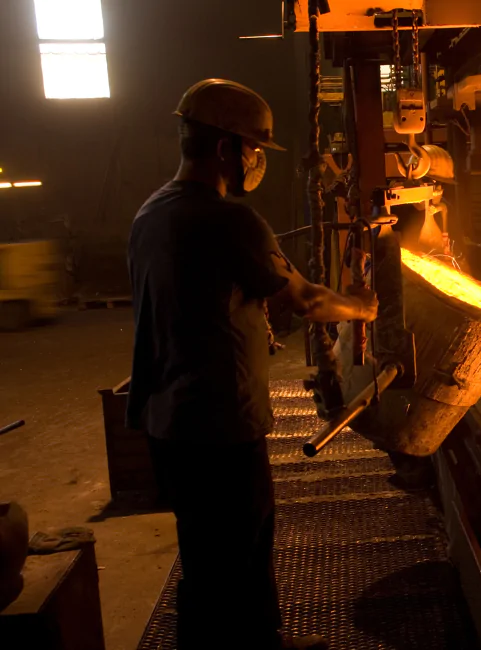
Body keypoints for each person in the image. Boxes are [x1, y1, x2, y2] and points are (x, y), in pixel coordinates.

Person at [126, 79, 378, 650]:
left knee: (204, 556)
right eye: (252, 147)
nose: (256, 159)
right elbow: (309, 301)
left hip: (168, 420)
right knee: (243, 547)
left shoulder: (150, 213)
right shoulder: (228, 220)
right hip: (220, 422)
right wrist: (362, 305)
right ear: (224, 149)